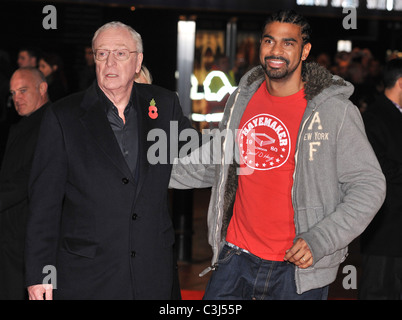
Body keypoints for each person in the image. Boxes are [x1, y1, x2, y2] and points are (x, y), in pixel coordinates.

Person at [170, 10, 386, 300]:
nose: (276, 51)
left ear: (305, 50)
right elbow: (216, 159)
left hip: (296, 270)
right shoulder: (243, 98)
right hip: (235, 258)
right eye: (269, 41)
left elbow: (369, 185)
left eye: (288, 43)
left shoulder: (334, 111)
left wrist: (320, 240)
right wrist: (143, 171)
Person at [25, 21, 193, 300]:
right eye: (102, 54)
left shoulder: (163, 105)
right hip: (87, 275)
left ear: (138, 61)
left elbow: (198, 152)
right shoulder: (63, 116)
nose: (110, 62)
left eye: (120, 54)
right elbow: (44, 203)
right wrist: (40, 275)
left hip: (153, 273)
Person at [0, 67, 50, 299]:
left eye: (22, 90)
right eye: (12, 93)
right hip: (13, 237)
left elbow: (27, 178)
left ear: (42, 88)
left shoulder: (50, 124)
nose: (16, 98)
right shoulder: (23, 125)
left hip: (27, 241)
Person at [359, 58, 402, 300]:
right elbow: (378, 168)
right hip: (384, 231)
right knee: (378, 291)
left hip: (395, 231)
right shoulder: (373, 117)